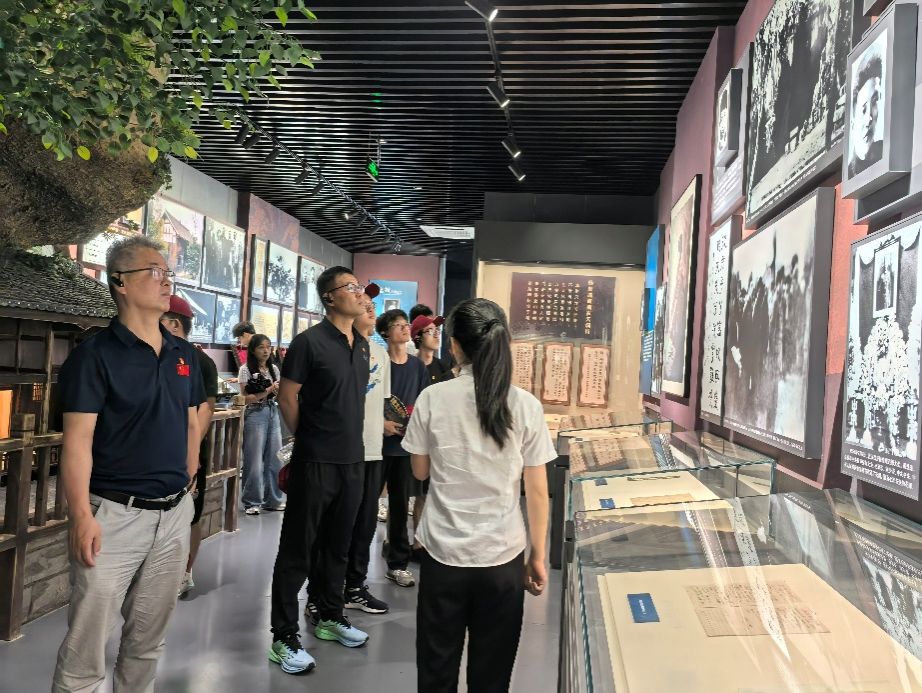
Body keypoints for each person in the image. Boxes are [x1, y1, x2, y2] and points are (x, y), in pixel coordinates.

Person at [52, 237, 202, 693]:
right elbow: (78, 441)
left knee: (147, 645)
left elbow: (191, 421)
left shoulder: (184, 355)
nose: (166, 281)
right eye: (155, 272)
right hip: (113, 515)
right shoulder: (94, 356)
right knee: (86, 651)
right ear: (120, 282)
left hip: (172, 515)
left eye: (168, 273)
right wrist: (82, 516)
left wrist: (188, 485)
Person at [402, 298, 553, 693]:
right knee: (492, 675)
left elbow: (420, 471)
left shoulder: (433, 398)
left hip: (443, 555)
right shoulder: (526, 405)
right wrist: (537, 556)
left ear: (455, 345)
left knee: (436, 669)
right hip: (503, 557)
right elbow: (538, 491)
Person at [268, 266, 370, 675]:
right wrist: (309, 438)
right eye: (351, 287)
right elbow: (287, 397)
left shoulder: (361, 344)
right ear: (329, 297)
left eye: (359, 287)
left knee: (338, 546)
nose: (359, 293)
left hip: (353, 461)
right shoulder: (308, 342)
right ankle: (283, 636)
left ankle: (329, 614)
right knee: (298, 549)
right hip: (315, 461)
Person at [306, 283, 390, 621]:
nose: (369, 307)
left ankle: (354, 586)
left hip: (371, 451)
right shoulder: (326, 347)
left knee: (364, 526)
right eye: (362, 300)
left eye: (372, 304)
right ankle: (319, 594)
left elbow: (380, 404)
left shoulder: (379, 353)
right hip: (335, 452)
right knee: (328, 529)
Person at [159, 295, 218, 597]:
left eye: (159, 320)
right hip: (158, 453)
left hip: (188, 454)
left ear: (173, 324)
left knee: (190, 514)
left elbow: (206, 409)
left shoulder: (200, 361)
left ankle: (185, 571)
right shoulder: (155, 355)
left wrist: (190, 452)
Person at [377, 308, 429, 587]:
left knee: (399, 507)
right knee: (364, 507)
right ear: (385, 332)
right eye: (398, 325)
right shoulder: (378, 362)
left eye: (406, 324)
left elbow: (423, 402)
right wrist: (381, 423)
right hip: (375, 446)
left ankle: (397, 564)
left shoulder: (417, 367)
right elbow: (364, 400)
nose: (405, 328)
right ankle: (353, 568)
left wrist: (416, 428)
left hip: (404, 447)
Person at [238, 334, 285, 515]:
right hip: (255, 413)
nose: (266, 351)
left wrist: (278, 391)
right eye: (261, 347)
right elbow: (246, 398)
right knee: (254, 459)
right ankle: (251, 501)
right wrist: (268, 390)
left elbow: (279, 393)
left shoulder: (274, 369)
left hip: (272, 411)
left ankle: (273, 500)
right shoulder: (245, 370)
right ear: (253, 350)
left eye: (268, 346)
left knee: (275, 458)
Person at [849, 49, 884, 178]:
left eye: (874, 102)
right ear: (852, 121)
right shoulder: (849, 174)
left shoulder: (889, 150)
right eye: (863, 109)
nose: (869, 117)